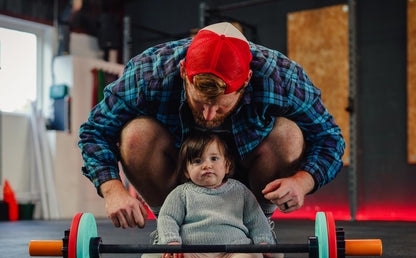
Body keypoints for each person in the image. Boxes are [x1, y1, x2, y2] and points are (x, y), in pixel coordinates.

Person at [78, 22, 345, 231]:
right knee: (134, 135)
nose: (207, 116)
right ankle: (170, 227)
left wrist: (302, 182)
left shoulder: (282, 77)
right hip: (179, 174)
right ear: (183, 71)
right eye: (200, 103)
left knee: (289, 134)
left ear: (246, 81)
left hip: (247, 180)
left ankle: (258, 227)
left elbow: (330, 139)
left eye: (220, 107)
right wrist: (112, 189)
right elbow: (96, 130)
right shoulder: (150, 71)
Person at [141, 132, 279, 258]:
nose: (207, 165)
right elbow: (168, 218)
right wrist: (171, 242)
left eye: (214, 158)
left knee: (253, 257)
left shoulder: (240, 191)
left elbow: (256, 219)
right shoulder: (181, 193)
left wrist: (263, 242)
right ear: (186, 171)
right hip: (191, 251)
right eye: (197, 161)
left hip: (232, 251)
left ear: (227, 165)